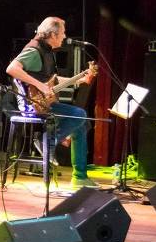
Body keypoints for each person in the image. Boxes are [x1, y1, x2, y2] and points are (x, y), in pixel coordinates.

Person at [5, 16, 98, 188]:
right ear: (53, 35)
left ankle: (79, 176)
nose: (64, 36)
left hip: (44, 103)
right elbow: (11, 69)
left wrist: (79, 80)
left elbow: (51, 80)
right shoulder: (34, 50)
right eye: (62, 32)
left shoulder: (47, 51)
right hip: (31, 104)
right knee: (80, 114)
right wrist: (40, 85)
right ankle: (47, 141)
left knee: (82, 124)